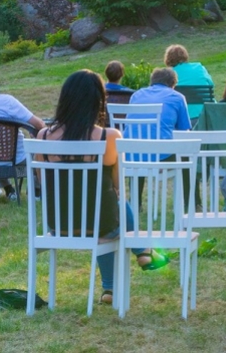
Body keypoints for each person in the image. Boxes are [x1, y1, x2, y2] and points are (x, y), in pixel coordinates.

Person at [35, 70, 156, 305]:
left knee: (109, 209)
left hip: (60, 224)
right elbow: (117, 185)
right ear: (98, 101)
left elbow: (43, 182)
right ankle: (143, 251)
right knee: (116, 206)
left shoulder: (42, 136)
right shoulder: (109, 137)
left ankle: (110, 289)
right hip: (101, 224)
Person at [129, 67, 192, 140]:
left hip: (131, 148)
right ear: (173, 84)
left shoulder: (136, 95)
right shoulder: (177, 97)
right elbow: (184, 131)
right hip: (162, 148)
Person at [163, 45, 214, 120]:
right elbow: (211, 85)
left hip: (180, 118)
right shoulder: (199, 67)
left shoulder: (167, 74)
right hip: (205, 114)